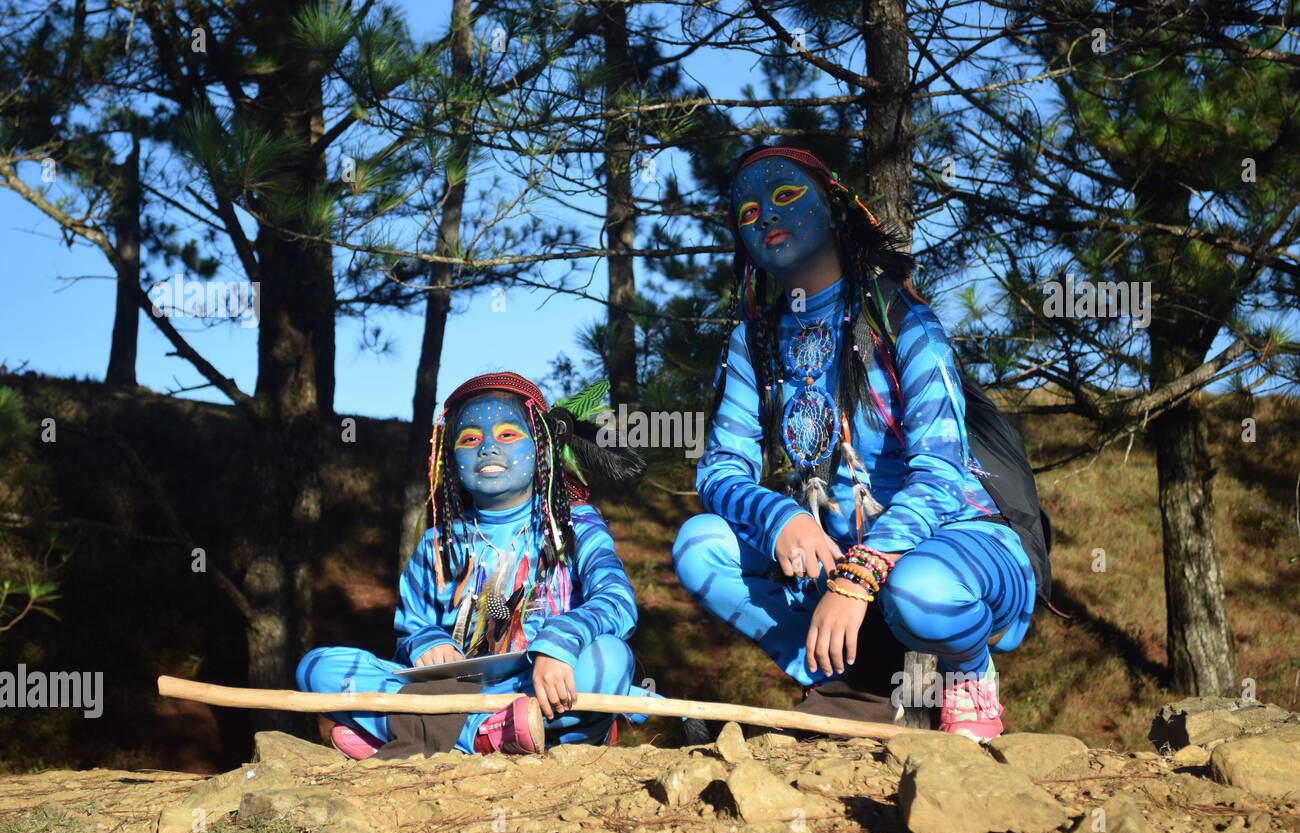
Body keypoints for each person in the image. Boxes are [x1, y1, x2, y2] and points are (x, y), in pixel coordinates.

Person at [672, 141, 1038, 741]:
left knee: (920, 591)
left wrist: (859, 574)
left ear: (835, 208)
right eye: (747, 212)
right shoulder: (752, 344)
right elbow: (718, 471)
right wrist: (780, 515)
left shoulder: (904, 321)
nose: (764, 215)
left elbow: (943, 475)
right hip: (838, 555)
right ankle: (852, 677)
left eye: (786, 196)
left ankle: (967, 673)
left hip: (957, 543)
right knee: (699, 545)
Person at [298, 371, 644, 757]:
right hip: (457, 694)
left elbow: (617, 600)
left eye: (508, 434)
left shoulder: (575, 524)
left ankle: (413, 732)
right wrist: (427, 642)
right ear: (450, 457)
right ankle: (483, 735)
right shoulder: (437, 544)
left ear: (542, 446)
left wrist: (563, 640)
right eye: (470, 439)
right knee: (317, 667)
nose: (488, 448)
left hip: (541, 688)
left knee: (610, 659)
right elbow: (411, 632)